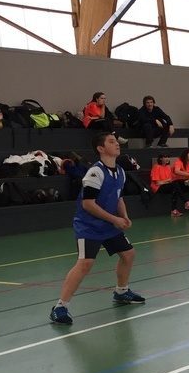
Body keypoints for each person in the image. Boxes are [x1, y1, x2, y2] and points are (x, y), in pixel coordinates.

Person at [49, 133, 143, 325]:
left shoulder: (120, 172)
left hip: (110, 224)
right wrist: (114, 219)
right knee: (85, 263)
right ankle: (60, 307)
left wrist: (124, 216)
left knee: (129, 254)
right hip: (89, 226)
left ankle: (121, 292)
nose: (116, 144)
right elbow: (88, 204)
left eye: (117, 142)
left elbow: (118, 198)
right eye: (111, 141)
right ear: (100, 148)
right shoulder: (95, 173)